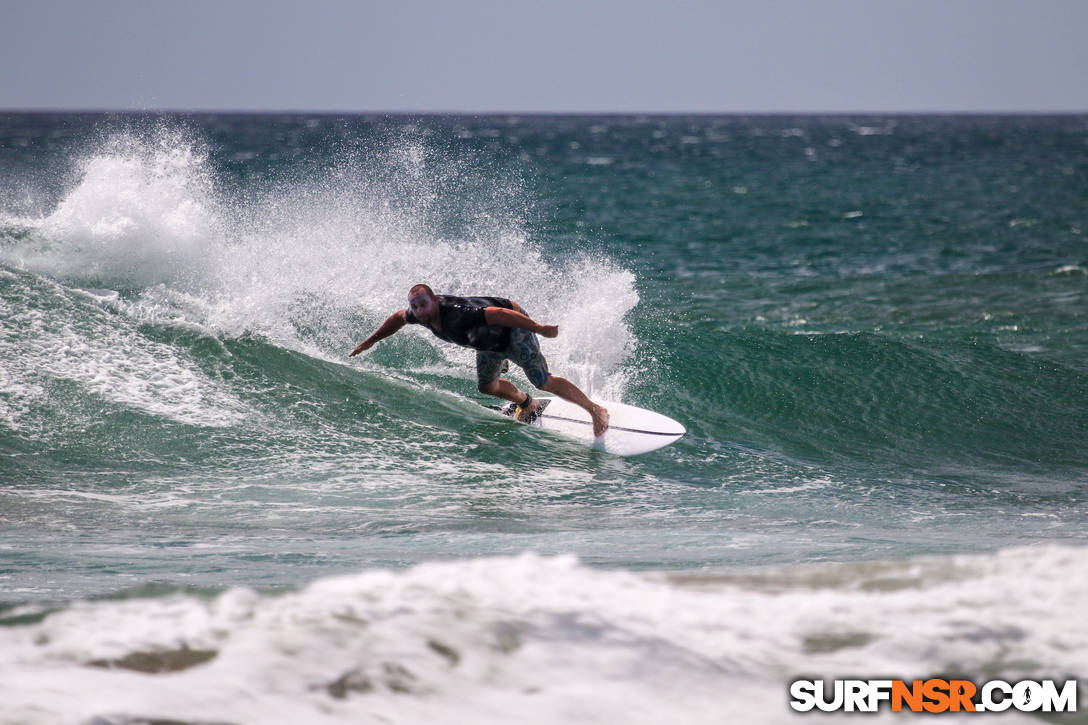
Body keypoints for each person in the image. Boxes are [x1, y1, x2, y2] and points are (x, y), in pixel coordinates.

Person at [349, 284, 609, 436]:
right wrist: (369, 341)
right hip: (487, 344)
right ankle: (528, 405)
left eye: (424, 305)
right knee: (487, 386)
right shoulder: (419, 315)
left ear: (435, 301)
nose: (419, 311)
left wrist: (539, 329)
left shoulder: (460, 314)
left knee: (543, 380)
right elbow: (397, 318)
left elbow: (500, 313)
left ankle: (595, 409)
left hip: (513, 331)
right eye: (415, 307)